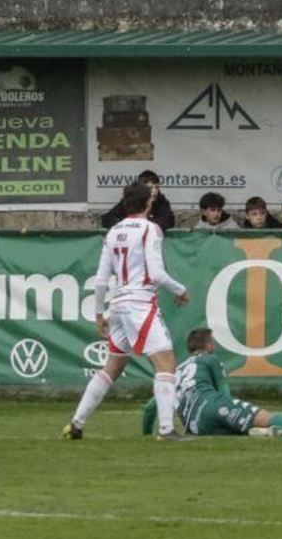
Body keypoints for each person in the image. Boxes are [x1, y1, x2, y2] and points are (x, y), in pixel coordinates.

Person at [63, 180, 190, 441]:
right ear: (148, 202)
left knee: (112, 367)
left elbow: (100, 279)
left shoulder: (113, 231)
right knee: (166, 364)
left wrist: (99, 313)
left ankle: (76, 424)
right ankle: (166, 430)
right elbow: (155, 273)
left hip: (118, 304)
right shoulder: (150, 229)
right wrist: (180, 289)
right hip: (140, 304)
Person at [142, 327, 282, 438]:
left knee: (232, 429)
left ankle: (259, 433)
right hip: (213, 405)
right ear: (209, 346)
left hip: (194, 425)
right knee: (273, 416)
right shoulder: (210, 358)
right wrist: (228, 408)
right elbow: (223, 388)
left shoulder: (173, 372)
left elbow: (151, 408)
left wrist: (145, 434)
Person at [99, 170, 175, 231]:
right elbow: (107, 218)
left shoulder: (161, 201)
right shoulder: (130, 200)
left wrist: (146, 225)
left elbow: (169, 220)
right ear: (141, 188)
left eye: (157, 187)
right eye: (151, 187)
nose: (155, 191)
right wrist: (127, 225)